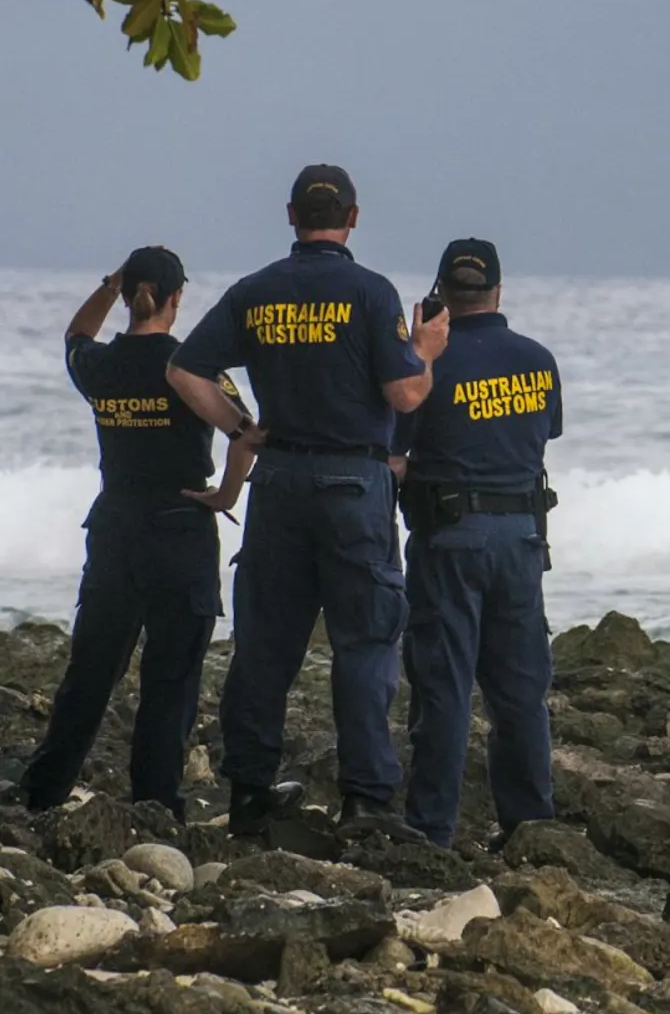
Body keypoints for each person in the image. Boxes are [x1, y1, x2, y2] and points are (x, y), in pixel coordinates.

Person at [167, 165, 449, 843]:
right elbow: (406, 394)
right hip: (354, 481)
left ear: (292, 215)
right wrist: (427, 350)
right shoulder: (368, 292)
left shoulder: (256, 292)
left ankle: (252, 791)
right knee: (364, 641)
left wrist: (239, 429)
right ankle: (366, 798)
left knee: (265, 644)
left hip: (282, 477)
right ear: (352, 218)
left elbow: (183, 370)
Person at [9, 249, 255, 821]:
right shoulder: (193, 368)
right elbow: (247, 436)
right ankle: (155, 805)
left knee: (91, 673)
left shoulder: (99, 365)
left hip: (116, 527)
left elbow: (76, 332)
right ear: (176, 298)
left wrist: (109, 283)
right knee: (170, 680)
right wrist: (226, 495)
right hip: (181, 528)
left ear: (127, 296)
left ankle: (44, 791)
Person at [392, 239, 562, 848]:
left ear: (439, 292)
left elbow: (397, 445)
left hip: (451, 539)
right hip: (521, 538)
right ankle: (531, 827)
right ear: (498, 291)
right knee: (520, 692)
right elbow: (544, 435)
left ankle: (432, 828)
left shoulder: (425, 365)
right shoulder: (538, 360)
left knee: (443, 687)